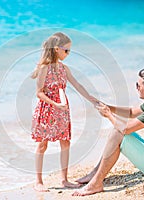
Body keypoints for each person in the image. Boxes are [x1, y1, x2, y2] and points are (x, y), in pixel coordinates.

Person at [72, 67, 144, 196]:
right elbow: (131, 112)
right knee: (117, 130)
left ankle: (96, 183)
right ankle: (95, 175)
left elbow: (126, 129)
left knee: (119, 132)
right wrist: (109, 108)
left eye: (138, 85)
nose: (136, 87)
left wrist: (108, 115)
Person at [31, 32, 99, 192]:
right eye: (66, 51)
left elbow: (77, 85)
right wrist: (55, 103)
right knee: (42, 145)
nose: (68, 54)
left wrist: (91, 99)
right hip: (47, 110)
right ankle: (38, 181)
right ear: (56, 49)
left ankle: (64, 179)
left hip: (62, 111)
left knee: (65, 143)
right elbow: (39, 92)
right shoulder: (44, 68)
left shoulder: (64, 68)